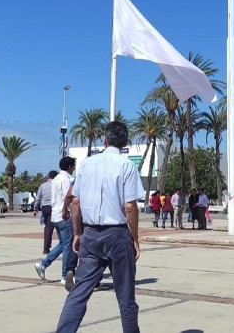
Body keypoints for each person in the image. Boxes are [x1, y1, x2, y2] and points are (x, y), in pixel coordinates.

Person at [57, 121, 141, 333]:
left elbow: (75, 201)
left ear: (104, 140)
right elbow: (130, 206)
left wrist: (77, 233)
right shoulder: (127, 166)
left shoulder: (86, 165)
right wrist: (135, 238)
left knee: (79, 293)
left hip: (91, 234)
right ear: (124, 144)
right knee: (126, 297)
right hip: (118, 234)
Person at [35, 157, 78, 289]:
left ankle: (44, 263)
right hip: (64, 215)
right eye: (74, 166)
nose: (75, 168)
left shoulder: (55, 180)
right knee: (68, 247)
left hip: (55, 216)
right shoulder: (67, 180)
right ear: (70, 166)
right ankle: (65, 276)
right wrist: (67, 209)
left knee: (63, 243)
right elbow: (68, 197)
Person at [33, 171, 56, 255]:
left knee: (48, 227)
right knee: (55, 227)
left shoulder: (43, 185)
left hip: (45, 207)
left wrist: (36, 208)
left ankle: (46, 247)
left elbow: (38, 198)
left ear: (48, 176)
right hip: (53, 207)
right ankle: (48, 248)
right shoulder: (56, 184)